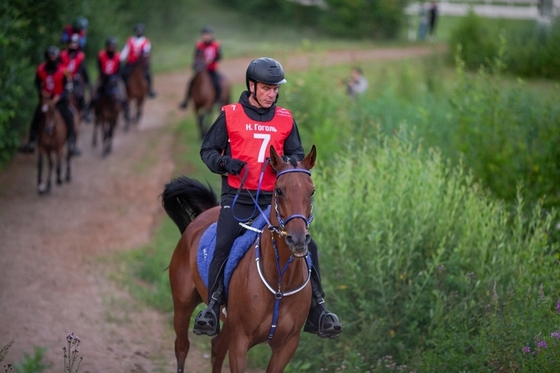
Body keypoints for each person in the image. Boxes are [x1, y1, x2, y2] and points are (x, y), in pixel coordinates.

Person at [196, 57, 343, 339]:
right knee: (224, 244)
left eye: (275, 89)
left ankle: (319, 311)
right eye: (266, 88)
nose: (271, 94)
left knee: (308, 248)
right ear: (251, 86)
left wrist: (289, 162)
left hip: (275, 200)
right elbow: (208, 151)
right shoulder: (230, 115)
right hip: (238, 197)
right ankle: (213, 308)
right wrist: (227, 164)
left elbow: (298, 156)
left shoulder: (285, 119)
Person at [18, 46, 81, 156]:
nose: (52, 58)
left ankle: (71, 142)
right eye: (50, 56)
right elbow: (37, 83)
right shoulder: (41, 68)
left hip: (60, 101)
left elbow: (69, 87)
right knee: (37, 116)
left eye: (53, 56)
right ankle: (31, 141)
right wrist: (41, 91)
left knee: (69, 116)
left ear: (57, 57)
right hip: (46, 101)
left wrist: (60, 96)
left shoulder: (65, 70)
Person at [179, 26, 222, 109]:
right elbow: (196, 56)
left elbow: (219, 57)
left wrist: (211, 60)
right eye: (204, 34)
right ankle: (186, 101)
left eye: (208, 34)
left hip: (211, 69)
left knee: (218, 83)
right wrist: (195, 64)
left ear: (211, 35)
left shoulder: (216, 45)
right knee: (191, 82)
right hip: (201, 70)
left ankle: (219, 102)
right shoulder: (199, 45)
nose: (206, 36)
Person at [90, 37, 129, 118]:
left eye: (112, 46)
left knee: (122, 90)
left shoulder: (118, 56)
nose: (111, 48)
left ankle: (126, 110)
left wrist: (115, 76)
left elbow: (119, 69)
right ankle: (89, 108)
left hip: (115, 77)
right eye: (109, 46)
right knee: (94, 90)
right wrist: (104, 75)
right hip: (103, 77)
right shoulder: (101, 55)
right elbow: (99, 66)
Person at [60, 33, 92, 122]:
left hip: (75, 79)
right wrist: (66, 75)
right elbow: (60, 66)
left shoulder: (80, 56)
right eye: (71, 43)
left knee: (80, 93)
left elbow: (81, 69)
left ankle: (85, 111)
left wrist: (79, 78)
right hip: (63, 78)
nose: (73, 45)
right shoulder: (62, 54)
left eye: (75, 43)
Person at [120, 23, 157, 98]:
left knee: (147, 75)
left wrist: (142, 55)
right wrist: (120, 58)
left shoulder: (146, 41)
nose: (138, 32)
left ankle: (150, 90)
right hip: (131, 62)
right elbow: (125, 51)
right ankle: (122, 91)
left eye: (140, 31)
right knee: (123, 74)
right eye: (137, 31)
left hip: (140, 64)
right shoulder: (130, 40)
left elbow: (146, 51)